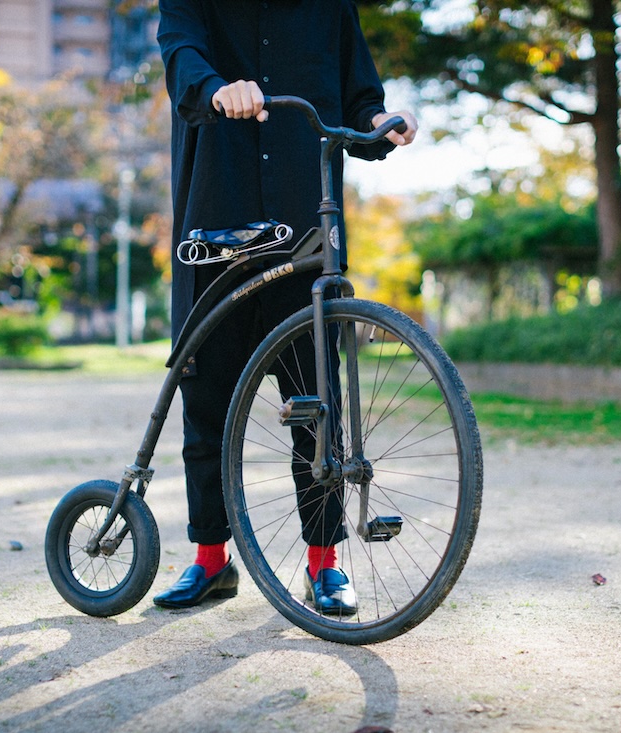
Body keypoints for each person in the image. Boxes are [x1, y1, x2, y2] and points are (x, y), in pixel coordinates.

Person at [154, 0, 417, 614]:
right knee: (208, 405)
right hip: (217, 229)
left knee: (316, 409)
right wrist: (218, 89)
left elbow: (358, 99)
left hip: (304, 237)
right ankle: (210, 561)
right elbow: (182, 58)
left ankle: (324, 567)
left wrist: (383, 122)